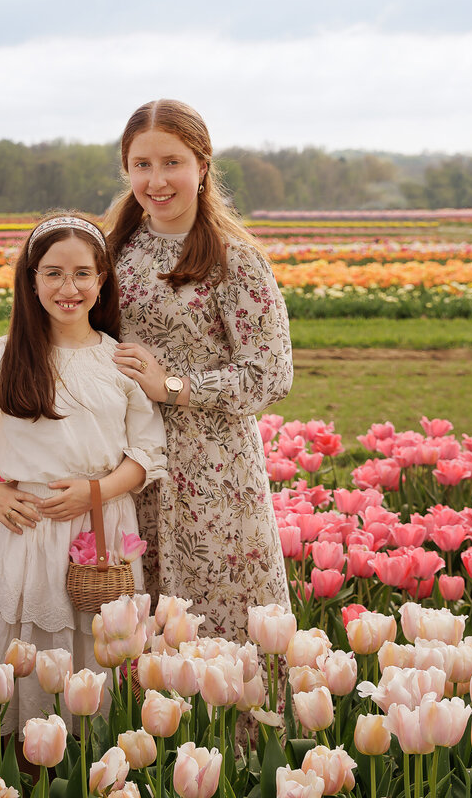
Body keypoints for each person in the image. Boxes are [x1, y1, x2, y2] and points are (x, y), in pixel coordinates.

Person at [0, 213, 166, 736]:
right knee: (36, 667)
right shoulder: (3, 358)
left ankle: (103, 773)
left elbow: (149, 452)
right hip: (30, 529)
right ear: (31, 280)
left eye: (82, 273)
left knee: (105, 665)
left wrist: (95, 492)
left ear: (102, 281)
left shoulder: (120, 361)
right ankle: (33, 767)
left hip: (104, 529)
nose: (68, 287)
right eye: (52, 273)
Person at [107, 99, 293, 642]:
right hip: (130, 465)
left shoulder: (234, 259)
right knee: (137, 629)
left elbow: (270, 374)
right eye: (141, 164)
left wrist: (174, 386)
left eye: (172, 163)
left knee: (219, 630)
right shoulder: (116, 250)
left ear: (203, 166)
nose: (156, 180)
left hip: (213, 473)